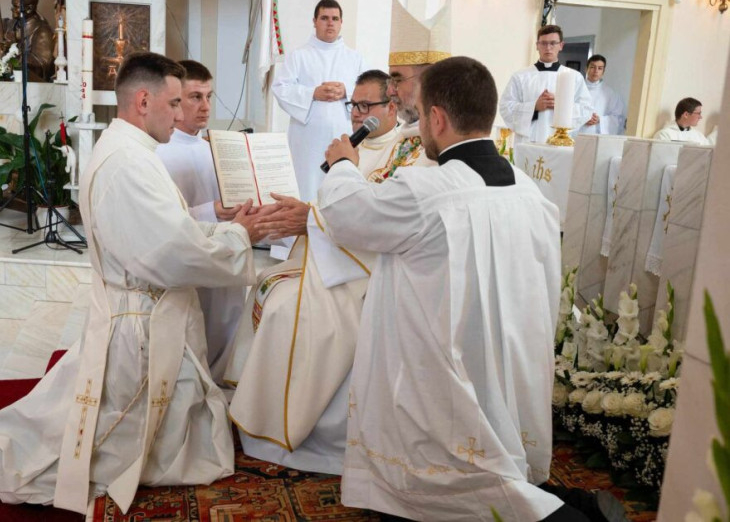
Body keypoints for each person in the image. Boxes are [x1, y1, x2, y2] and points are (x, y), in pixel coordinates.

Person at [0, 52, 263, 515]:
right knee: (113, 431)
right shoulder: (127, 163)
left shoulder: (132, 151)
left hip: (142, 308)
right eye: (175, 103)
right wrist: (240, 237)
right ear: (143, 101)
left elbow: (171, 228)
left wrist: (224, 230)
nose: (181, 115)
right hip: (141, 322)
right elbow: (170, 253)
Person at [320, 56, 588, 521]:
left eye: (421, 115)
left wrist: (343, 164)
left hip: (445, 361)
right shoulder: (527, 188)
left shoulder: (427, 189)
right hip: (506, 351)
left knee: (457, 471)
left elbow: (347, 215)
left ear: (437, 118)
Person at [224, 69, 434, 476]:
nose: (357, 114)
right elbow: (341, 207)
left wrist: (310, 219)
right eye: (353, 105)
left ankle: (291, 423)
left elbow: (377, 221)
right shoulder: (354, 148)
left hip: (368, 271)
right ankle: (261, 405)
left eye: (366, 106)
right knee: (267, 283)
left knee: (286, 308)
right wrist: (304, 214)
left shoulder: (408, 151)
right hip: (340, 259)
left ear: (392, 107)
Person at [154, 59, 246, 383]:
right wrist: (211, 212)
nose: (206, 106)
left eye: (209, 96)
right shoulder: (160, 152)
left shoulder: (215, 148)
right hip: (189, 260)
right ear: (176, 99)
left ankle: (221, 380)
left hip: (224, 251)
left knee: (228, 323)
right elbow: (161, 220)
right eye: (195, 97)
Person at [271, 0, 365, 202]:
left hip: (343, 133)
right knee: (307, 186)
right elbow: (280, 88)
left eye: (335, 18)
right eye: (324, 18)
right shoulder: (298, 56)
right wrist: (312, 93)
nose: (330, 23)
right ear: (314, 21)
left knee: (340, 187)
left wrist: (347, 91)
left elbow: (367, 93)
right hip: (308, 139)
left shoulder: (355, 58)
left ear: (341, 22)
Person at [500, 24, 593, 144]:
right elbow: (506, 107)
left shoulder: (574, 77)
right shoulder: (521, 76)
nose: (548, 48)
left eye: (553, 43)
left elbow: (586, 110)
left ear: (561, 45)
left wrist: (561, 105)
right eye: (543, 43)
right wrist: (534, 107)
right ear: (537, 45)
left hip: (560, 143)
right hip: (528, 142)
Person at [386, 0, 451, 133]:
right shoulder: (401, 134)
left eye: (397, 80)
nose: (390, 91)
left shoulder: (448, 137)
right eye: (390, 81)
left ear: (428, 82)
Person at [579, 54, 626, 135]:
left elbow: (618, 119)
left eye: (600, 68)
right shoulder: (577, 89)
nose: (596, 71)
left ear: (603, 71)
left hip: (598, 136)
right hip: (576, 134)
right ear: (586, 69)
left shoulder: (610, 94)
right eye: (592, 67)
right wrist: (582, 118)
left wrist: (600, 120)